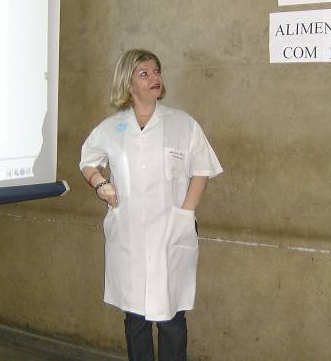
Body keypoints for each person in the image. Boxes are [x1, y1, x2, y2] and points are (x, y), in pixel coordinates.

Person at [79, 49, 223, 361]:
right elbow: (88, 161)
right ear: (128, 84)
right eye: (144, 74)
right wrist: (101, 184)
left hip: (171, 231)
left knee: (172, 318)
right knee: (135, 319)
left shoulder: (182, 124)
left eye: (156, 71)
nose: (154, 78)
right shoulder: (111, 128)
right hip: (129, 234)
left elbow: (202, 169)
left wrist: (185, 214)